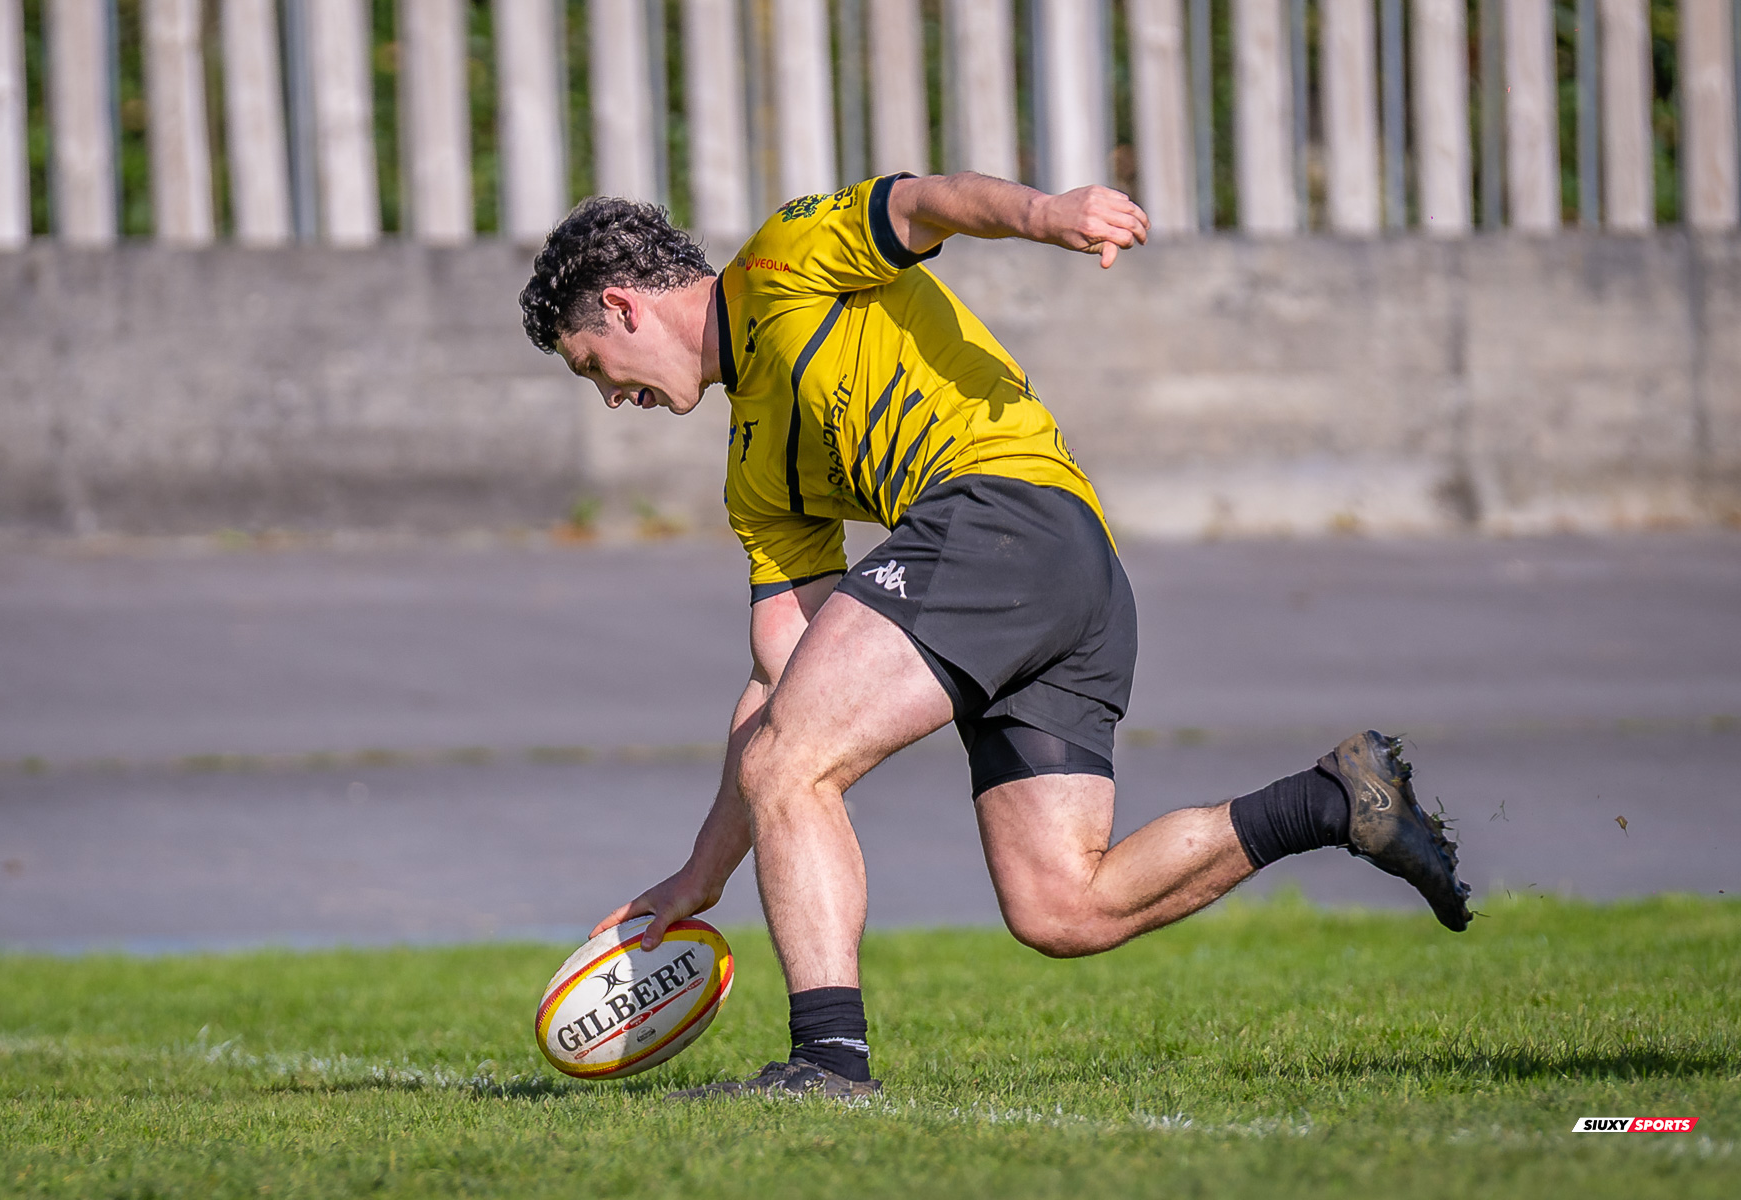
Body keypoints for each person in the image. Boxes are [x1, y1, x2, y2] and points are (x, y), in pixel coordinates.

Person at [518, 172, 1471, 1100]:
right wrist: (698, 877)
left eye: (592, 365)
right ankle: (1335, 800)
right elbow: (779, 682)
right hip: (1071, 573)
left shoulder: (780, 259)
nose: (610, 396)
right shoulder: (756, 475)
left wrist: (1045, 214)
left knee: (792, 765)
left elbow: (920, 202)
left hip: (998, 517)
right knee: (1063, 906)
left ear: (623, 306)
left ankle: (829, 1064)